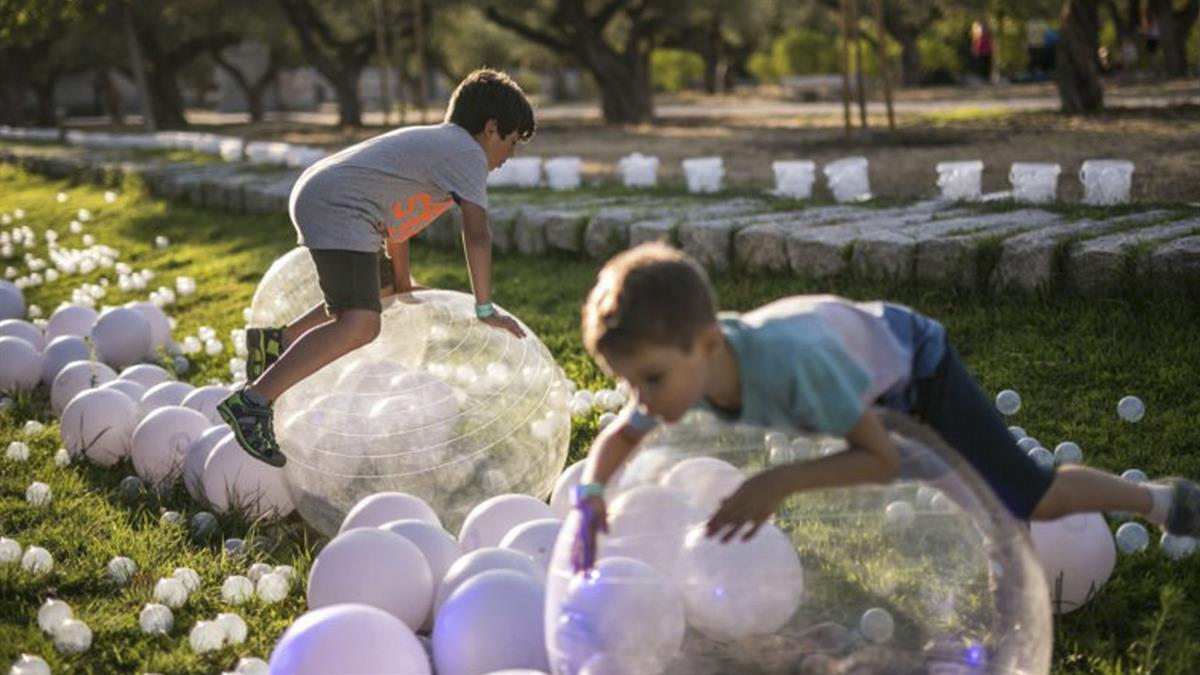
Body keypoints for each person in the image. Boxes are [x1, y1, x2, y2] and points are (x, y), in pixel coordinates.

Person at [571, 242, 1200, 571]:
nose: (640, 401)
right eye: (630, 384)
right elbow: (622, 439)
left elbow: (875, 460)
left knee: (1027, 496)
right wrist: (591, 497)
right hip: (862, 383)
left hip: (917, 371)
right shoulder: (682, 369)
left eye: (649, 380)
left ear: (707, 344)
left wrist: (777, 482)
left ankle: (1164, 502)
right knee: (966, 501)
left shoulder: (790, 367)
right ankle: (1008, 576)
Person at [217, 68, 533, 467]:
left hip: (328, 196)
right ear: (491, 128)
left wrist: (400, 283)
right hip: (340, 205)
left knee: (379, 291)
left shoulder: (440, 148)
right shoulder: (466, 154)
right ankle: (253, 401)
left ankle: (278, 343)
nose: (510, 156)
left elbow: (397, 227)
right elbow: (477, 235)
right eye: (512, 141)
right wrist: (484, 307)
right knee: (362, 323)